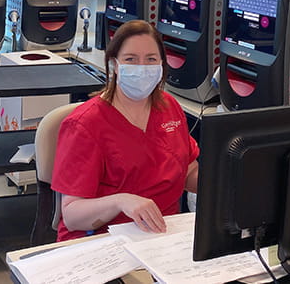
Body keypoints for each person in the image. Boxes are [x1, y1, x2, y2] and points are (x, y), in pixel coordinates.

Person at [51, 19, 199, 242]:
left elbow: (187, 170)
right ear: (114, 65)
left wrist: (226, 183)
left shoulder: (169, 108)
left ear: (162, 64)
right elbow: (72, 216)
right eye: (131, 59)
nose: (142, 68)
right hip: (102, 238)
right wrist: (120, 201)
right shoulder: (85, 124)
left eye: (150, 59)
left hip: (163, 235)